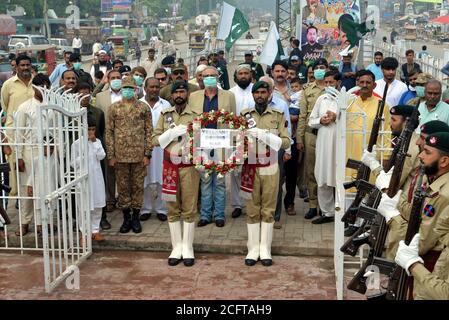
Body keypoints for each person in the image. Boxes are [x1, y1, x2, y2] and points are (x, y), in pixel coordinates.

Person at [377, 131, 449, 299]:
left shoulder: (443, 194)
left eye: (427, 152)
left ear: (444, 161)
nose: (421, 155)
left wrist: (392, 217)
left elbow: (422, 241)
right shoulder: (429, 178)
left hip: (430, 263)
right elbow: (409, 210)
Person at [240, 80, 290, 267]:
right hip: (250, 166)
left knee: (268, 208)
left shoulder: (277, 115)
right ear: (252, 95)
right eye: (257, 92)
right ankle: (252, 248)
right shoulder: (244, 115)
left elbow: (286, 141)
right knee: (252, 208)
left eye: (263, 92)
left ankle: (265, 248)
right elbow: (237, 138)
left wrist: (268, 136)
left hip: (270, 166)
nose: (260, 95)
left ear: (269, 94)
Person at [152, 81, 202, 267]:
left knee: (189, 207)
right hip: (170, 167)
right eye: (176, 92)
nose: (179, 94)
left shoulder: (196, 115)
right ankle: (176, 246)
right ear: (171, 96)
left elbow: (202, 140)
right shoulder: (165, 115)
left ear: (188, 94)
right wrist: (169, 135)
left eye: (182, 91)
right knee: (172, 207)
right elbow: (154, 139)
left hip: (189, 166)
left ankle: (188, 247)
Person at [344, 69, 391, 236]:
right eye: (361, 82)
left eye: (368, 83)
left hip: (371, 156)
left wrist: (385, 157)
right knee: (349, 189)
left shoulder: (382, 105)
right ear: (357, 83)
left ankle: (359, 225)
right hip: (350, 152)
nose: (364, 86)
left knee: (366, 191)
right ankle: (349, 219)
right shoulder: (349, 102)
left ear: (374, 85)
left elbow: (386, 132)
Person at [189, 66, 236, 228]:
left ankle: (219, 215)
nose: (209, 78)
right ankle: (205, 215)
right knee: (206, 180)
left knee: (221, 181)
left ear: (218, 77)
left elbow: (233, 121)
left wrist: (232, 145)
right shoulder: (193, 96)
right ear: (200, 78)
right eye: (205, 75)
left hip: (221, 143)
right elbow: (190, 121)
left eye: (212, 75)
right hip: (201, 144)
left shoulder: (228, 96)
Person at [105, 76, 152, 234]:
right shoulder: (114, 108)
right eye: (125, 88)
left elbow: (149, 132)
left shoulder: (143, 108)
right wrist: (111, 155)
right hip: (120, 156)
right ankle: (126, 218)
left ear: (136, 89)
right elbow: (109, 132)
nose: (128, 91)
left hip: (139, 156)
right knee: (123, 187)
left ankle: (136, 217)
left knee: (138, 187)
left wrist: (148, 154)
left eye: (131, 88)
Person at [13, 74, 52, 236]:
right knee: (27, 189)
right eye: (40, 87)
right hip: (29, 152)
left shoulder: (52, 106)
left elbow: (56, 130)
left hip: (47, 153)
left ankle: (44, 222)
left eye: (46, 86)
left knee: (46, 189)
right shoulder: (25, 107)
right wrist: (19, 157)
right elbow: (18, 133)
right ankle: (24, 222)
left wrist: (53, 146)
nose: (43, 90)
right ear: (34, 88)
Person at [307, 70, 342, 224]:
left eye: (331, 82)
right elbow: (311, 121)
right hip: (322, 143)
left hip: (339, 144)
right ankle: (327, 213)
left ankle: (343, 213)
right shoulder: (321, 98)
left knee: (339, 177)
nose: (328, 85)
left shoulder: (345, 99)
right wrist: (321, 120)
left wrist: (337, 117)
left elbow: (352, 121)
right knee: (322, 176)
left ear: (338, 83)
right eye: (326, 82)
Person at [297, 58, 329, 220]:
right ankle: (313, 204)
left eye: (322, 68)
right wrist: (299, 138)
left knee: (326, 171)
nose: (319, 70)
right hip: (311, 135)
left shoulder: (333, 88)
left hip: (328, 135)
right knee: (311, 171)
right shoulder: (307, 90)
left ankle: (326, 206)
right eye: (316, 68)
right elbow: (302, 116)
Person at [1, 55, 35, 198]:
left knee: (32, 161)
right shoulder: (9, 84)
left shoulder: (37, 83)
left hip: (33, 129)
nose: (25, 68)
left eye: (28, 65)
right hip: (14, 130)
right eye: (22, 65)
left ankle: (31, 192)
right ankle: (18, 196)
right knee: (15, 163)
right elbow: (5, 105)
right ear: (17, 67)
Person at [139, 77, 171, 222]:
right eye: (151, 87)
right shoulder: (138, 104)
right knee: (144, 179)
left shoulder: (166, 104)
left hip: (161, 147)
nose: (154, 90)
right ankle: (145, 209)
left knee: (161, 178)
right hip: (142, 148)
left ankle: (161, 209)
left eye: (156, 87)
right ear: (145, 88)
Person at [71, 116, 106, 241]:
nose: (91, 132)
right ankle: (84, 232)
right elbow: (72, 163)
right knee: (83, 206)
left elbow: (101, 156)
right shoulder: (76, 144)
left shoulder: (98, 142)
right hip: (83, 178)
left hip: (96, 178)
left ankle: (95, 230)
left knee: (97, 205)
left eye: (92, 129)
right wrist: (83, 156)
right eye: (88, 129)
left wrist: (95, 143)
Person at [95, 70, 122, 226]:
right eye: (113, 78)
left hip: (126, 138)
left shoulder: (129, 93)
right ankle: (111, 198)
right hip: (107, 137)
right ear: (108, 80)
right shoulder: (101, 97)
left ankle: (124, 198)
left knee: (124, 169)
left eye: (118, 78)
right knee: (109, 169)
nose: (116, 80)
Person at [229, 64, 255, 219]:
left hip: (254, 136)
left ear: (251, 75)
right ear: (236, 76)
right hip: (235, 137)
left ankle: (251, 203)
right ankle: (237, 204)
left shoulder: (257, 90)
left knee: (252, 170)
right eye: (241, 74)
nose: (243, 76)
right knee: (235, 172)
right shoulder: (230, 93)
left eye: (246, 73)